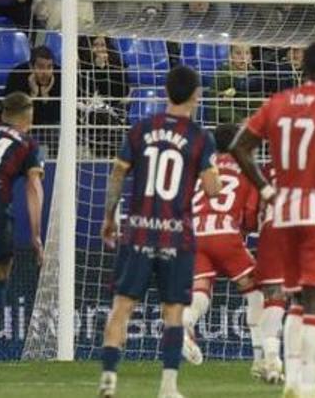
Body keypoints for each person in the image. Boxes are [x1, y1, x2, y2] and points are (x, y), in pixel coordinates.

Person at [231, 42, 315, 398]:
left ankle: (290, 380)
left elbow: (240, 146)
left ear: (303, 71)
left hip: (283, 213)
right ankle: (308, 388)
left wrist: (267, 190)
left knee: (294, 298)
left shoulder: (277, 103)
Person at [96, 65, 220, 398]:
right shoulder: (199, 137)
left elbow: (118, 176)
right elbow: (212, 189)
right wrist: (213, 169)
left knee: (122, 306)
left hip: (137, 232)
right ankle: (168, 386)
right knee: (174, 312)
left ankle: (108, 379)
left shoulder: (139, 130)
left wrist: (109, 217)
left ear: (166, 92)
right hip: (176, 235)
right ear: (197, 95)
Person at [179, 122, 263, 371]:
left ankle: (183, 326)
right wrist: (246, 230)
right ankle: (260, 359)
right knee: (256, 292)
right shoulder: (248, 168)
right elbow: (250, 215)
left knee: (201, 289)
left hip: (195, 233)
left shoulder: (200, 165)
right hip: (225, 233)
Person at [0, 91, 45, 338]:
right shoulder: (27, 143)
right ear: (30, 118)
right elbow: (34, 188)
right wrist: (36, 236)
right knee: (2, 268)